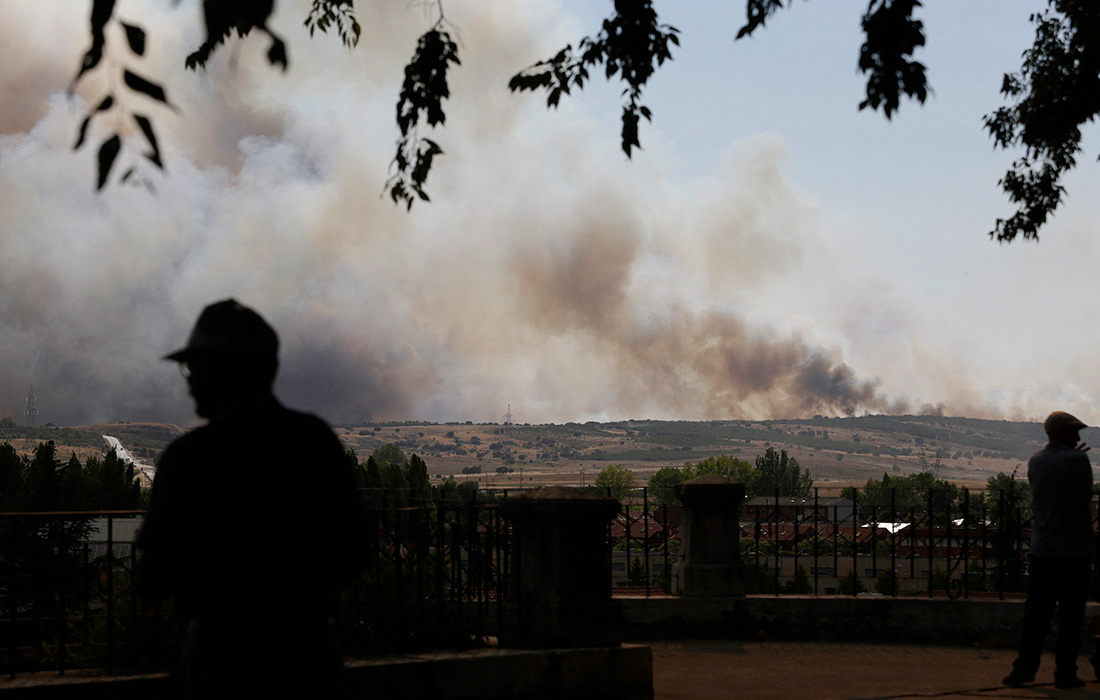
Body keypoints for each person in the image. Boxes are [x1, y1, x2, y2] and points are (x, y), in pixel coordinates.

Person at [137, 299, 368, 699]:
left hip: (222, 666)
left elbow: (152, 580)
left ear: (226, 371)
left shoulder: (191, 458)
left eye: (195, 367)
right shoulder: (315, 443)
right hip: (310, 660)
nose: (188, 380)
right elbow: (357, 553)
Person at [1004, 411, 1094, 689]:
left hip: (1042, 550)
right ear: (1062, 434)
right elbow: (1084, 494)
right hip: (1074, 551)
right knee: (1070, 617)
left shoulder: (1036, 461)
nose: (1078, 437)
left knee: (1036, 616)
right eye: (1074, 432)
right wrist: (1075, 458)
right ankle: (1065, 674)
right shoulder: (1079, 459)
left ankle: (1024, 670)